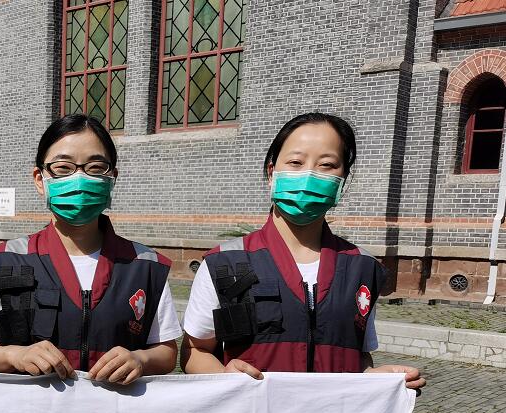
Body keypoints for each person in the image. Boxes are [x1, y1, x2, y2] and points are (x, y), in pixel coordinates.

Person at [181, 112, 425, 390]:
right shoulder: (224, 262)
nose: (309, 175)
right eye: (296, 162)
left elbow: (357, 357)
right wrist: (225, 375)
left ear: (343, 180)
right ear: (272, 172)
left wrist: (376, 378)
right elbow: (194, 351)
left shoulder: (363, 268)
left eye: (327, 165)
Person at [0, 114, 180, 384]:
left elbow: (167, 352)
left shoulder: (147, 265)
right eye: (63, 168)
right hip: (30, 409)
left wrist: (141, 359)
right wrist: (14, 355)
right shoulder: (3, 261)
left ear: (112, 177)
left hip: (113, 409)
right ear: (40, 179)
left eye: (95, 167)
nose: (79, 179)